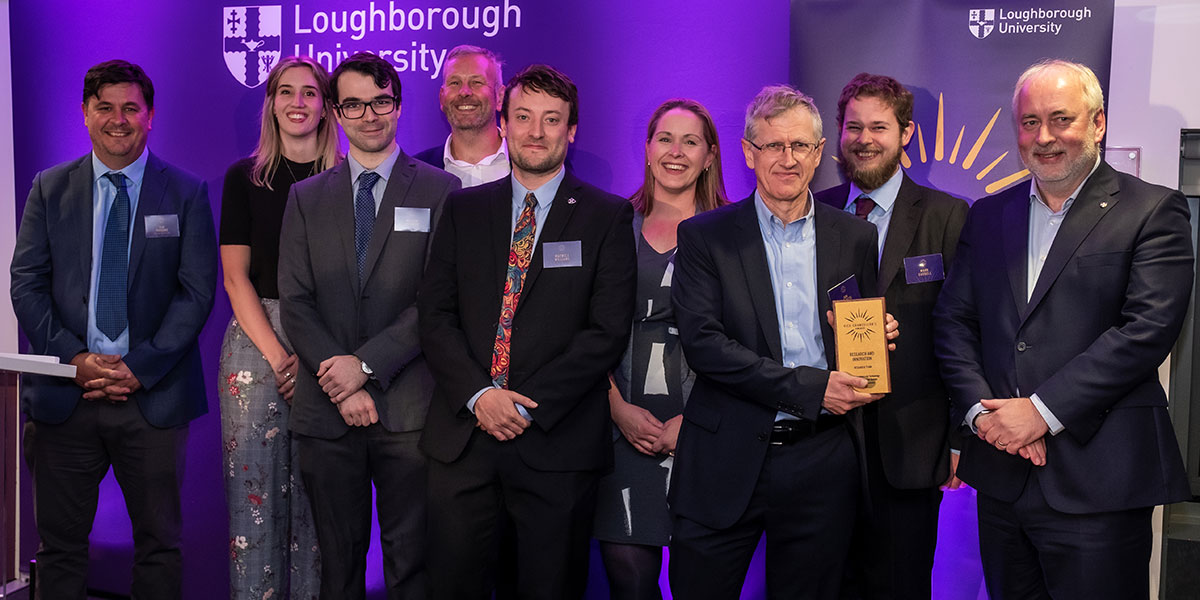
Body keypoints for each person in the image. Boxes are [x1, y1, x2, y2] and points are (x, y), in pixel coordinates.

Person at [934, 59, 1193, 599]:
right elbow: (953, 321)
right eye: (1030, 122)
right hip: (1002, 473)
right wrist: (984, 413)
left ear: (1097, 123)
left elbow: (1146, 330)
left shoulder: (1151, 210)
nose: (1044, 137)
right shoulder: (987, 215)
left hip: (1099, 477)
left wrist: (1041, 412)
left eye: (1060, 119)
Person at [668, 84, 896, 600]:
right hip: (723, 454)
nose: (787, 159)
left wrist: (874, 338)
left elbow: (853, 326)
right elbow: (705, 346)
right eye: (773, 146)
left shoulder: (855, 236)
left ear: (819, 154)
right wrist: (811, 388)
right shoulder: (705, 236)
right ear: (749, 153)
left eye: (800, 146)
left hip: (822, 460)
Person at [418, 64, 636, 600]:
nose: (536, 132)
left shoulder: (606, 217)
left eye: (551, 119)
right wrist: (479, 396)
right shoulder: (462, 209)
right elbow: (435, 316)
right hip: (464, 440)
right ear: (505, 122)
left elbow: (604, 333)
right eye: (523, 117)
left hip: (555, 444)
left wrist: (519, 405)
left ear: (572, 130)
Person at [9, 59, 216, 599]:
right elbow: (26, 283)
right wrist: (75, 360)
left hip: (152, 399)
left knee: (159, 546)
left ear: (151, 117)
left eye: (131, 108)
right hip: (63, 401)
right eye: (105, 107)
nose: (118, 119)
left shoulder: (186, 193)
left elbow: (195, 295)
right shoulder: (49, 188)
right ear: (84, 114)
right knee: (59, 550)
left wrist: (137, 368)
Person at [277, 51, 460, 599]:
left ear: (399, 106)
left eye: (381, 101)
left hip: (407, 409)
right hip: (325, 410)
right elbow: (295, 300)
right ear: (335, 112)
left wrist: (365, 366)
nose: (369, 115)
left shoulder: (440, 189)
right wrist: (341, 378)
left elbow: (436, 299)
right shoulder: (306, 197)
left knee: (411, 566)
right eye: (354, 104)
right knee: (338, 570)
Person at [814, 73, 967, 600]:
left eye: (879, 126)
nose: (864, 138)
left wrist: (956, 435)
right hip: (821, 441)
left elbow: (961, 331)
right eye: (853, 126)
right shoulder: (812, 211)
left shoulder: (949, 216)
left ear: (905, 134)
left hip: (911, 442)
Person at [592, 98, 728, 599]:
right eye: (665, 139)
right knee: (631, 587)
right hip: (619, 425)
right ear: (647, 150)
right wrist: (616, 409)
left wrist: (692, 422)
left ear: (710, 156)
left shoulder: (734, 234)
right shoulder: (610, 226)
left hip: (707, 429)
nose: (676, 151)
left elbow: (748, 339)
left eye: (690, 141)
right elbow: (582, 329)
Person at [219, 55, 341, 600]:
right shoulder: (244, 178)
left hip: (329, 342)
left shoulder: (345, 179)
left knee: (320, 507)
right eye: (285, 92)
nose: (297, 102)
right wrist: (278, 358)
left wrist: (313, 357)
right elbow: (235, 279)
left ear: (325, 105)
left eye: (310, 93)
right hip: (256, 343)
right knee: (256, 503)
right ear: (270, 103)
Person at [414, 44, 510, 187]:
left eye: (476, 82)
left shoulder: (529, 164)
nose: (464, 92)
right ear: (442, 98)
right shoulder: (416, 173)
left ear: (500, 97)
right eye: (455, 83)